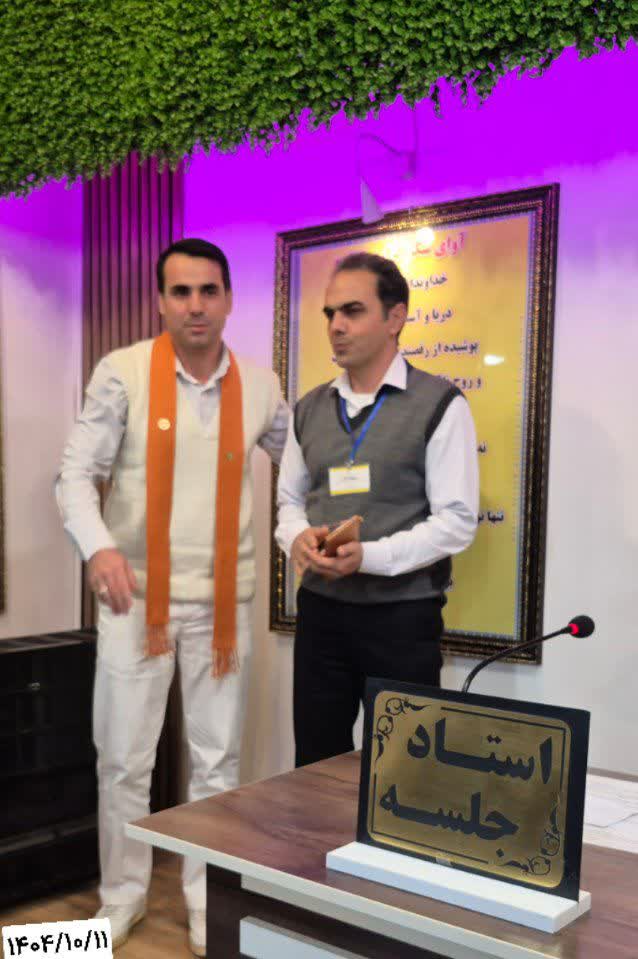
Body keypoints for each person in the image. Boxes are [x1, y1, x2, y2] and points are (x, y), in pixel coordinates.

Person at [57, 238, 289, 955]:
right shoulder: (122, 372)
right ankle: (121, 899)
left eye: (208, 290)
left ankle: (206, 902)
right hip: (135, 603)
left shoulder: (263, 386)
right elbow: (75, 474)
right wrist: (98, 546)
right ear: (161, 301)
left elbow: (300, 473)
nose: (196, 305)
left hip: (224, 605)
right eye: (181, 292)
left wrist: (311, 531)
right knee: (124, 761)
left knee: (218, 765)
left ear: (229, 299)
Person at [276, 252, 479, 769]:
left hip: (401, 619)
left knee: (404, 774)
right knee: (314, 767)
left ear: (395, 317)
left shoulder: (441, 404)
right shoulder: (309, 408)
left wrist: (367, 557)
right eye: (330, 313)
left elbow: (457, 522)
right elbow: (289, 502)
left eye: (352, 311)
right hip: (320, 615)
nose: (336, 326)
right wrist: (296, 538)